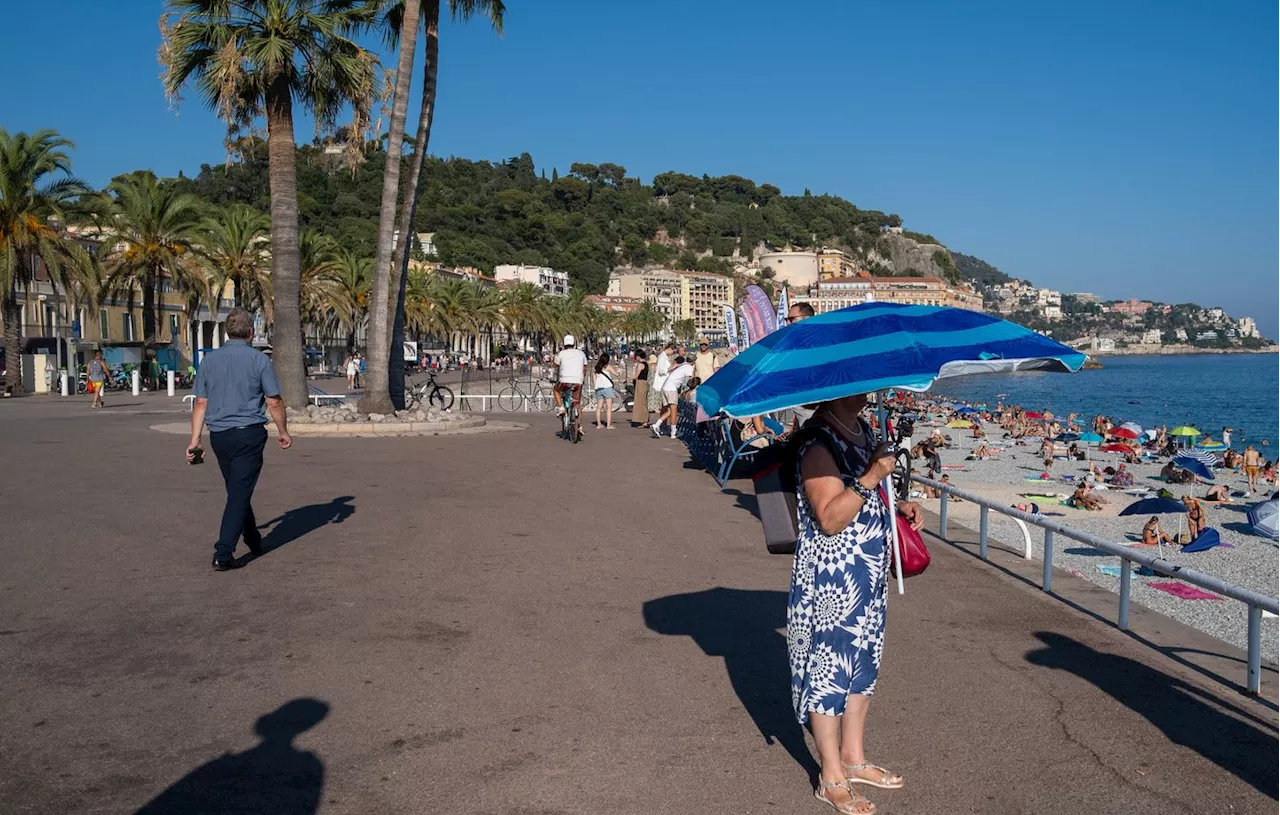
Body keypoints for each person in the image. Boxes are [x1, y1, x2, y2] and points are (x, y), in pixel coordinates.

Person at [789, 392, 922, 814]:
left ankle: (853, 756)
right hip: (832, 580)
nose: (868, 389)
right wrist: (872, 476)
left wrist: (897, 505)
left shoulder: (863, 431)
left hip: (867, 573)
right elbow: (829, 517)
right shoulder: (816, 441)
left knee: (863, 665)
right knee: (829, 671)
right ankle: (830, 775)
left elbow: (867, 496)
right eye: (859, 383)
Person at [186, 308, 292, 571]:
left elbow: (200, 403)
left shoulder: (209, 361)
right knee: (239, 492)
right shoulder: (259, 361)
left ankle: (253, 539)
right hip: (249, 433)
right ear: (251, 332)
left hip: (219, 436)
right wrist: (283, 431)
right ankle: (224, 552)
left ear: (226, 331)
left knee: (237, 490)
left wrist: (195, 439)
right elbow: (274, 400)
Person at [551, 334, 588, 433]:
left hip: (564, 382)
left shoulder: (561, 354)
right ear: (574, 343)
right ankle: (579, 426)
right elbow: (585, 368)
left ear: (564, 344)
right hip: (578, 382)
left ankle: (561, 408)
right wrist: (581, 378)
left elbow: (554, 365)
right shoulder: (581, 354)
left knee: (556, 390)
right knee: (577, 403)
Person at [653, 355, 692, 439]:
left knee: (669, 410)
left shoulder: (681, 366)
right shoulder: (689, 367)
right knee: (674, 410)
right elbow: (688, 381)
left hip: (665, 387)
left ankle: (657, 425)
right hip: (671, 389)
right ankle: (673, 432)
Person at [592, 352, 619, 430]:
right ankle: (608, 425)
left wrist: (596, 386)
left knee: (599, 407)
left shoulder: (597, 367)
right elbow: (617, 374)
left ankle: (599, 424)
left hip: (599, 389)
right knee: (609, 407)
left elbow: (594, 379)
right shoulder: (608, 367)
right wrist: (619, 371)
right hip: (607, 388)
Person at [630, 348, 650, 428]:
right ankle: (644, 419)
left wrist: (628, 378)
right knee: (643, 402)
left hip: (640, 383)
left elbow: (636, 376)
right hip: (645, 383)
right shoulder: (646, 364)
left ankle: (643, 420)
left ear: (638, 356)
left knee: (640, 402)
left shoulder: (640, 365)